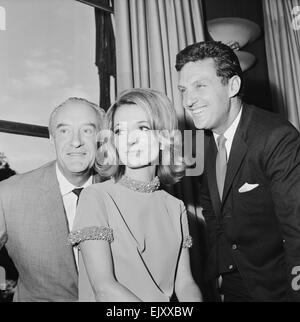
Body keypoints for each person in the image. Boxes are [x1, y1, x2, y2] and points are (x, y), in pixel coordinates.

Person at [176, 41, 300, 301]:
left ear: (233, 86)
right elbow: (212, 212)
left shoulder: (276, 136)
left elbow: (297, 229)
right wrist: (221, 272)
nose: (188, 100)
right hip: (233, 287)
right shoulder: (202, 143)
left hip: (279, 288)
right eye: (183, 89)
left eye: (200, 85)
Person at [69, 88, 202, 302]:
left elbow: (185, 283)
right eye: (119, 131)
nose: (129, 140)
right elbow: (104, 288)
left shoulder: (175, 206)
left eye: (142, 127)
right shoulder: (96, 197)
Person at [0, 97, 105, 301]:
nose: (76, 142)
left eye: (87, 130)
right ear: (51, 138)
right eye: (64, 131)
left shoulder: (122, 191)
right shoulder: (8, 194)